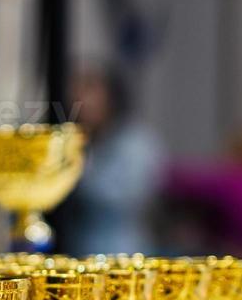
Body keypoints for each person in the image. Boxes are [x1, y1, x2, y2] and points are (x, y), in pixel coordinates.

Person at [62, 64, 165, 256]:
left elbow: (123, 200)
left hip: (121, 252)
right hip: (76, 248)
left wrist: (74, 169)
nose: (80, 99)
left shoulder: (136, 143)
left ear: (111, 96)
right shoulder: (80, 140)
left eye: (89, 89)